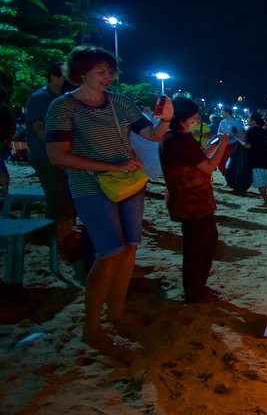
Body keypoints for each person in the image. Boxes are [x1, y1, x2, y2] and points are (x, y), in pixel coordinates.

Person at [45, 45, 173, 350]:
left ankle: (115, 313)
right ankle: (91, 326)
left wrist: (166, 120)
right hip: (90, 185)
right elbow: (56, 156)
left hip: (128, 182)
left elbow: (152, 135)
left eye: (110, 72)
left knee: (130, 247)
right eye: (100, 72)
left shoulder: (119, 102)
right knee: (110, 251)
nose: (107, 77)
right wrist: (110, 165)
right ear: (81, 72)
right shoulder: (63, 108)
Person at [160, 95, 230, 304]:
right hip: (192, 202)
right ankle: (195, 292)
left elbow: (197, 158)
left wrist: (213, 144)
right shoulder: (178, 140)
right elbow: (208, 166)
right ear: (183, 117)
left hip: (189, 201)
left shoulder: (173, 137)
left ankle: (197, 288)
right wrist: (223, 145)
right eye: (193, 115)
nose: (196, 119)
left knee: (202, 243)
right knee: (198, 248)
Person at [24, 63, 77, 250]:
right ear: (53, 77)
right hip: (45, 156)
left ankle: (62, 231)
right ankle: (58, 236)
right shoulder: (41, 98)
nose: (69, 81)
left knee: (63, 192)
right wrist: (57, 149)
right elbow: (39, 126)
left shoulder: (59, 97)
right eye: (65, 76)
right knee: (57, 194)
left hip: (58, 155)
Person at [237, 113, 267, 207]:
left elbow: (248, 145)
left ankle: (266, 202)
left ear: (254, 120)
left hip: (256, 159)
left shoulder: (251, 130)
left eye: (249, 119)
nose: (248, 120)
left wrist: (239, 141)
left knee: (260, 182)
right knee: (264, 179)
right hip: (265, 158)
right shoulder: (263, 131)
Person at [129, 101, 163, 180]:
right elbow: (158, 131)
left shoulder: (128, 123)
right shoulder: (143, 118)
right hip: (157, 164)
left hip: (146, 168)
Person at [215, 108, 245, 180]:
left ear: (227, 112)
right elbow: (218, 133)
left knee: (234, 164)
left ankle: (234, 181)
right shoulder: (222, 122)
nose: (221, 114)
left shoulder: (237, 122)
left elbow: (240, 134)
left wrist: (230, 136)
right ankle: (229, 179)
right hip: (225, 144)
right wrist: (222, 135)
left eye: (222, 112)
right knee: (221, 164)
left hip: (235, 144)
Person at [0, 86, 14, 197]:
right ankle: (5, 191)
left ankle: (5, 192)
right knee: (1, 167)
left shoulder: (4, 110)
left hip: (2, 140)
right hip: (3, 141)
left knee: (1, 167)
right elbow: (11, 126)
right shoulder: (6, 109)